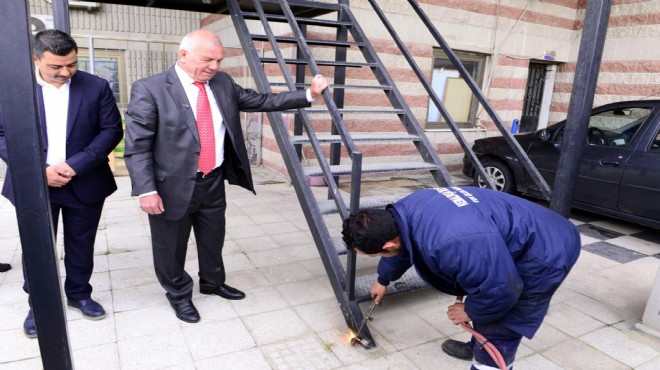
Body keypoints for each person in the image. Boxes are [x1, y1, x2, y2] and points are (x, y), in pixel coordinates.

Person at [124, 29, 329, 323]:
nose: (214, 67)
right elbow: (138, 145)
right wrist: (146, 190)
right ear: (183, 55)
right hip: (171, 186)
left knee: (213, 238)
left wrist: (309, 94)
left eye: (219, 60)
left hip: (212, 180)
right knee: (170, 247)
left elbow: (261, 101)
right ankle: (179, 294)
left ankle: (212, 282)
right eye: (207, 60)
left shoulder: (222, 83)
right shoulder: (150, 89)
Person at [342, 186, 581, 370]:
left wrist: (470, 312)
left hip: (547, 250)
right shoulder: (402, 212)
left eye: (372, 254)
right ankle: (478, 345)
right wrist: (383, 279)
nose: (374, 256)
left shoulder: (451, 242)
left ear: (387, 243)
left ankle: (488, 359)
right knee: (485, 292)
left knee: (502, 322)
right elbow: (403, 246)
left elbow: (501, 289)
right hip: (519, 230)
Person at [0, 30, 123, 338]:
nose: (66, 72)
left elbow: (111, 131)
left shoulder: (96, 87)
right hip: (33, 184)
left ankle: (79, 294)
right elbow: (2, 136)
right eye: (57, 66)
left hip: (84, 180)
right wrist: (38, 170)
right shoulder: (12, 87)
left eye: (72, 64)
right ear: (36, 59)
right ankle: (39, 305)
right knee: (37, 247)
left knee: (82, 242)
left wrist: (73, 165)